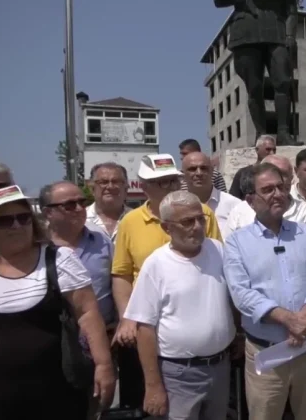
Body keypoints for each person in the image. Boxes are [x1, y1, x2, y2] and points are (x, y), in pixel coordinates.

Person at [111, 154, 222, 410]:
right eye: (162, 182)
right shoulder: (130, 222)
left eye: (173, 181)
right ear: (143, 185)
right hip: (149, 324)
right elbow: (122, 274)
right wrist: (127, 317)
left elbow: (219, 263)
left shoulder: (202, 214)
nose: (170, 187)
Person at [0, 184, 115, 418]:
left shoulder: (59, 259)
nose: (17, 225)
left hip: (59, 392)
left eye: (23, 218)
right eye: (5, 221)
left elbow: (88, 313)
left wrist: (104, 365)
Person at [225, 163, 306, 419]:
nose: (278, 194)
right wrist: (289, 320)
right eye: (268, 189)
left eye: (281, 188)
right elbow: (242, 294)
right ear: (250, 200)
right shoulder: (237, 242)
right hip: (267, 354)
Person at [124, 191, 236, 419]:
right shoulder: (156, 265)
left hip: (220, 368)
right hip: (178, 375)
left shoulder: (218, 250)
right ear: (167, 228)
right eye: (187, 221)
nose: (196, 226)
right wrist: (153, 386)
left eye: (200, 219)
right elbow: (144, 329)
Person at [214, 0, 297, 145]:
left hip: (276, 33)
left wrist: (290, 36)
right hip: (246, 33)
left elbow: (292, 9)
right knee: (254, 87)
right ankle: (261, 134)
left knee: (283, 82)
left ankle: (283, 132)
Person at [227, 155, 306, 240]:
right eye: (271, 173)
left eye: (283, 174)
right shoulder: (239, 212)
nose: (277, 179)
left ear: (292, 178)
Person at [182, 151, 244, 239]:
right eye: (192, 169)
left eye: (204, 168)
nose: (199, 173)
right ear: (183, 174)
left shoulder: (234, 205)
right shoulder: (177, 208)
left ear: (212, 171)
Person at [86, 162, 130, 241]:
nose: (110, 187)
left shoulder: (138, 219)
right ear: (92, 189)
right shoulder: (80, 220)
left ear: (126, 188)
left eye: (116, 181)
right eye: (103, 182)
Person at [229, 135, 277, 200]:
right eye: (268, 149)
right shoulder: (243, 173)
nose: (272, 153)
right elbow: (233, 199)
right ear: (257, 150)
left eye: (274, 150)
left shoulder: (278, 173)